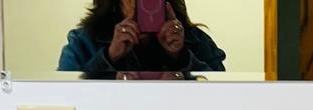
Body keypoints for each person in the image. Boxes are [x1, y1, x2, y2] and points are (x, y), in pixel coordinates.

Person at [58, 0, 225, 77]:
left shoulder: (195, 39)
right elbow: (62, 95)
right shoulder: (83, 41)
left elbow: (225, 95)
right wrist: (109, 57)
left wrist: (182, 57)